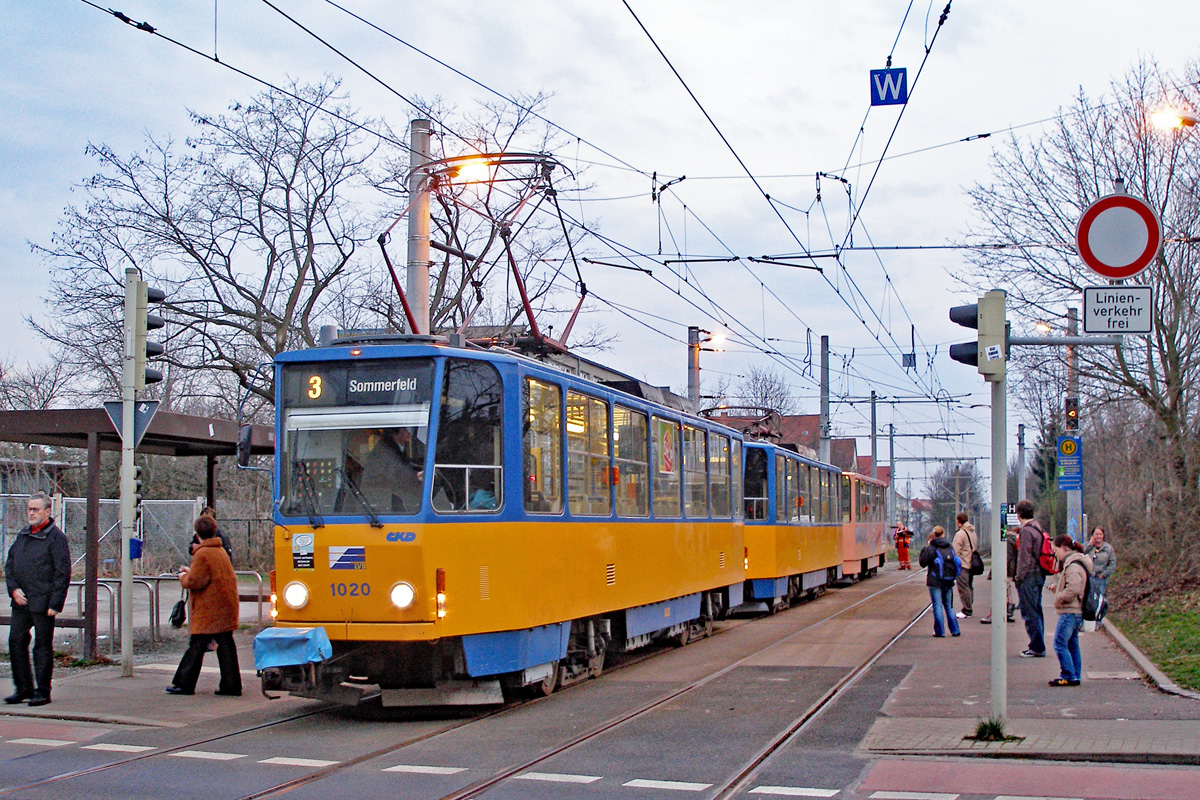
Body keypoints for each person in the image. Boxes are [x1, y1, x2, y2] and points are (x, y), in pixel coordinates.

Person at [5, 493, 70, 707]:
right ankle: (23, 688)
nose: (31, 513)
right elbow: (10, 565)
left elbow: (62, 573)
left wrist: (55, 603)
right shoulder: (23, 535)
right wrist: (13, 589)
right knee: (16, 641)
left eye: (36, 509)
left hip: (43, 602)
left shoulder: (56, 538)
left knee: (42, 647)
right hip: (21, 601)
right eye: (29, 509)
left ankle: (42, 691)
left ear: (47, 511)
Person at [167, 515, 242, 696]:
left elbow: (195, 581)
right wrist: (191, 571)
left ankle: (184, 683)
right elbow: (209, 575)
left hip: (209, 610)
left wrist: (183, 576)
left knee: (196, 645)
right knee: (226, 646)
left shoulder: (202, 554)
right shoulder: (220, 551)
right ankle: (231, 685)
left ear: (197, 533)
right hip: (226, 607)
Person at [1049, 534, 1093, 686]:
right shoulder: (1076, 563)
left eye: (1056, 550)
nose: (1055, 554)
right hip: (1076, 610)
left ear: (1063, 548)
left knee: (1059, 643)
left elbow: (1073, 588)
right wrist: (1058, 588)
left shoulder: (1073, 565)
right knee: (1072, 644)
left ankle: (1068, 674)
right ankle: (1075, 675)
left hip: (1070, 610)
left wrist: (1059, 596)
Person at [1014, 499, 1048, 658]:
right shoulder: (1038, 527)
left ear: (1019, 514)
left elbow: (1024, 558)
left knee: (1030, 613)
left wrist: (1018, 577)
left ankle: (1037, 646)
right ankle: (1038, 644)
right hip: (1039, 574)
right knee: (1037, 611)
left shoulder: (1026, 532)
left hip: (1029, 577)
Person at [917, 526, 961, 638]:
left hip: (935, 581)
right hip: (948, 580)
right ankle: (955, 630)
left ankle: (940, 632)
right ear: (943, 534)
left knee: (937, 606)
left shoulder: (931, 548)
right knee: (949, 606)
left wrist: (926, 547)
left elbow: (922, 562)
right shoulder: (949, 546)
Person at [981, 526, 1019, 624]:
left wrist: (998, 569)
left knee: (999, 590)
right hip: (1010, 570)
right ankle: (1009, 612)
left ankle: (996, 613)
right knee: (1007, 591)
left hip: (1005, 570)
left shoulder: (1005, 540)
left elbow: (1006, 556)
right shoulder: (1012, 539)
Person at [951, 512, 977, 618]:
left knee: (963, 587)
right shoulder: (972, 531)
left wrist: (953, 562)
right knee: (969, 586)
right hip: (972, 563)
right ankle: (969, 605)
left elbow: (955, 550)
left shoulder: (960, 533)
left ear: (958, 521)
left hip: (963, 563)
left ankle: (967, 609)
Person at [1083, 526, 1116, 598]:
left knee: (1099, 598)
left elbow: (1112, 564)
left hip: (1100, 579)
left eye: (1100, 534)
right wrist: (1090, 545)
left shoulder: (1108, 548)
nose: (1099, 536)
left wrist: (1103, 575)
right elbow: (1080, 554)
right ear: (1092, 535)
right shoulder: (1087, 546)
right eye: (1096, 534)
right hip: (1087, 578)